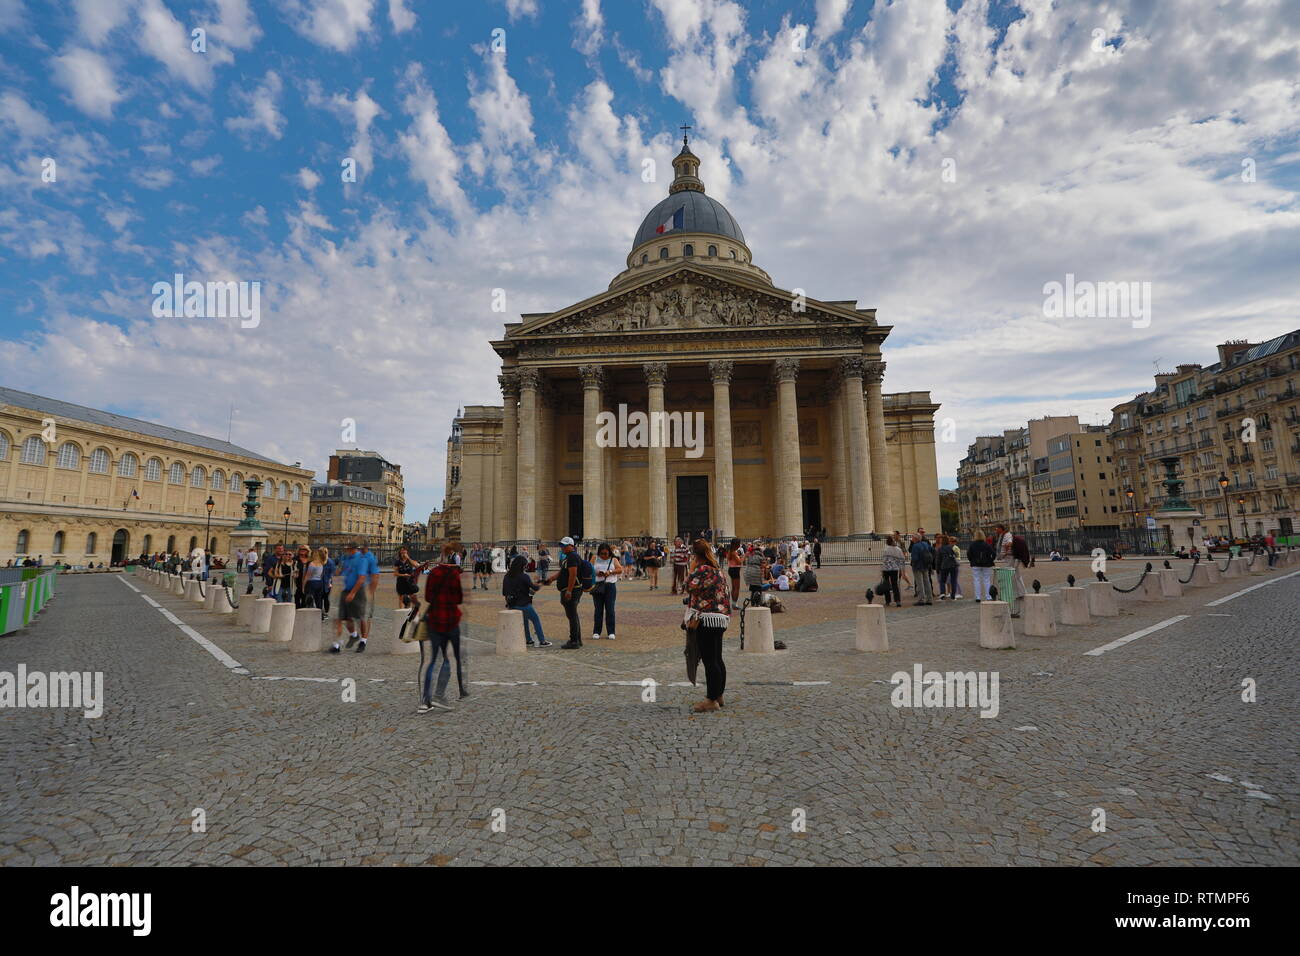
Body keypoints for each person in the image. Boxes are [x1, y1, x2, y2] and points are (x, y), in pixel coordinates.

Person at [684, 538, 732, 713]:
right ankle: (718, 695)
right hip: (720, 618)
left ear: (696, 555)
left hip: (706, 619)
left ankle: (711, 699)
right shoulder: (717, 570)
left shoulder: (702, 570)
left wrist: (691, 569)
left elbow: (688, 586)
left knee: (709, 660)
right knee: (717, 658)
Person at [421, 544, 469, 712]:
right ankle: (439, 695)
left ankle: (425, 700)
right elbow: (459, 599)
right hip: (450, 621)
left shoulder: (433, 573)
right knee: (449, 659)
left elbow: (427, 597)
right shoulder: (454, 575)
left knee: (432, 661)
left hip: (434, 620)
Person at [330, 542, 378, 653]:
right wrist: (337, 570)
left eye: (346, 548)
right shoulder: (345, 558)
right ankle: (338, 644)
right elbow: (340, 572)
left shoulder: (361, 559)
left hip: (359, 591)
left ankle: (363, 641)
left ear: (353, 549)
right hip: (346, 589)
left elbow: (361, 578)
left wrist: (353, 593)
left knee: (361, 617)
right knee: (341, 617)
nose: (345, 550)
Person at [503, 553, 550, 647]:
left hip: (511, 604)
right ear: (522, 566)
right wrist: (540, 583)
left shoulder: (507, 576)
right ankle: (542, 641)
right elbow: (534, 588)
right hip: (523, 604)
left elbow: (504, 592)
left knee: (525, 620)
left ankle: (528, 640)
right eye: (525, 565)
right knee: (535, 619)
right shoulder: (524, 576)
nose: (526, 567)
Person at [550, 536, 587, 649]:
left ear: (571, 546)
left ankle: (574, 641)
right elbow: (562, 573)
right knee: (572, 615)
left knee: (572, 615)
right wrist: (550, 579)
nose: (562, 547)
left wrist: (569, 591)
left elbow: (573, 574)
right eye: (561, 545)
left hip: (572, 590)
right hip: (570, 589)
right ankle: (577, 639)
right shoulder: (568, 557)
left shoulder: (572, 557)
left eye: (564, 546)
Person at [590, 542, 621, 641]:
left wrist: (610, 572)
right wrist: (596, 573)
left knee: (610, 609)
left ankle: (611, 632)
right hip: (598, 586)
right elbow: (588, 569)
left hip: (610, 586)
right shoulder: (594, 558)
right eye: (602, 553)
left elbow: (620, 569)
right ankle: (596, 631)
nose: (604, 555)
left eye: (606, 553)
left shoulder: (613, 559)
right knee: (598, 609)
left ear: (609, 552)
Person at [393, 547, 425, 613]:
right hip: (401, 582)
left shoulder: (410, 560)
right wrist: (403, 575)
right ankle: (401, 612)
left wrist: (408, 558)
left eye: (404, 552)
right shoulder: (397, 562)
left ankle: (414, 611)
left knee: (412, 596)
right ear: (400, 553)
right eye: (402, 552)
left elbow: (417, 566)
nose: (403, 554)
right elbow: (395, 574)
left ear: (407, 553)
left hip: (409, 582)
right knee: (401, 597)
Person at [879, 535, 905, 607]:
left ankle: (888, 601)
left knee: (886, 585)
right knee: (895, 585)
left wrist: (882, 570)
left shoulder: (885, 549)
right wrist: (901, 569)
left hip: (886, 569)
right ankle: (897, 601)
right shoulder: (898, 549)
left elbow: (883, 560)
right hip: (895, 569)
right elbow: (902, 560)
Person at [910, 531, 934, 605]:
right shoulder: (925, 544)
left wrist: (913, 563)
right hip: (926, 565)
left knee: (919, 583)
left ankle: (921, 599)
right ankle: (929, 599)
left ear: (916, 539)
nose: (912, 539)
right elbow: (933, 550)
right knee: (927, 582)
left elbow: (914, 558)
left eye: (913, 538)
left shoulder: (915, 546)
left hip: (917, 567)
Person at [936, 535, 960, 600]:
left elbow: (938, 560)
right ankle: (953, 595)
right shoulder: (951, 547)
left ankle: (943, 594)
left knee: (942, 581)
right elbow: (956, 555)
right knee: (953, 580)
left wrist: (937, 569)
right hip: (953, 565)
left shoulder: (940, 549)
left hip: (944, 566)